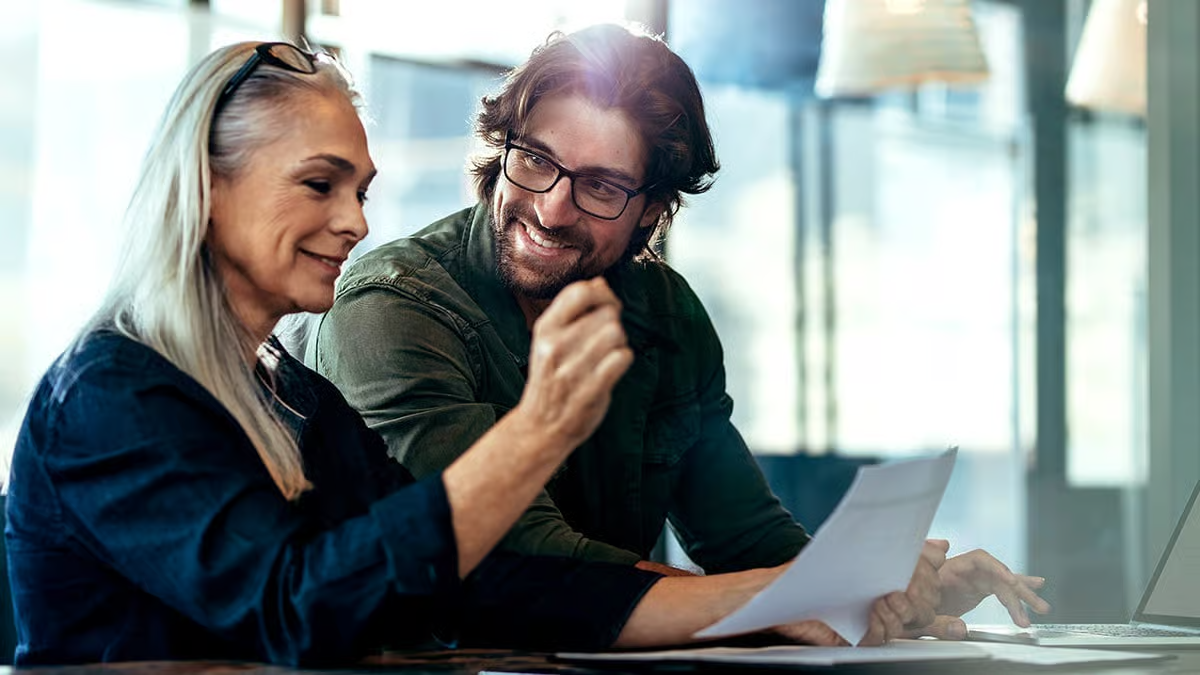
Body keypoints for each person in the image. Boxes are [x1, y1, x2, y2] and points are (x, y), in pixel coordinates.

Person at [6, 39, 939, 668]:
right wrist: (540, 431)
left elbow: (476, 580)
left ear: (652, 212)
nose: (356, 221)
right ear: (205, 188)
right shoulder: (110, 395)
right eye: (320, 185)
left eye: (360, 189)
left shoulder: (289, 394)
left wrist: (809, 592)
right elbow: (297, 610)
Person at [308, 22, 1050, 638]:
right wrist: (794, 598)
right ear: (503, 149)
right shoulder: (394, 307)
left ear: (653, 211)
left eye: (601, 185)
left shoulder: (665, 313)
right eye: (535, 160)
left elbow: (746, 537)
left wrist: (872, 595)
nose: (552, 208)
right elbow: (523, 556)